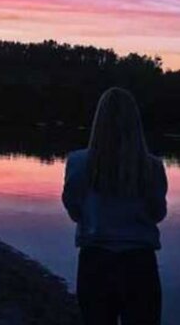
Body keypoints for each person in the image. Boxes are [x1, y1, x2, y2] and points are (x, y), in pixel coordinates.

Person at [62, 87, 168, 325]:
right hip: (139, 265)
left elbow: (74, 210)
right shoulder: (152, 167)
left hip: (95, 262)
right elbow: (157, 214)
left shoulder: (78, 163)